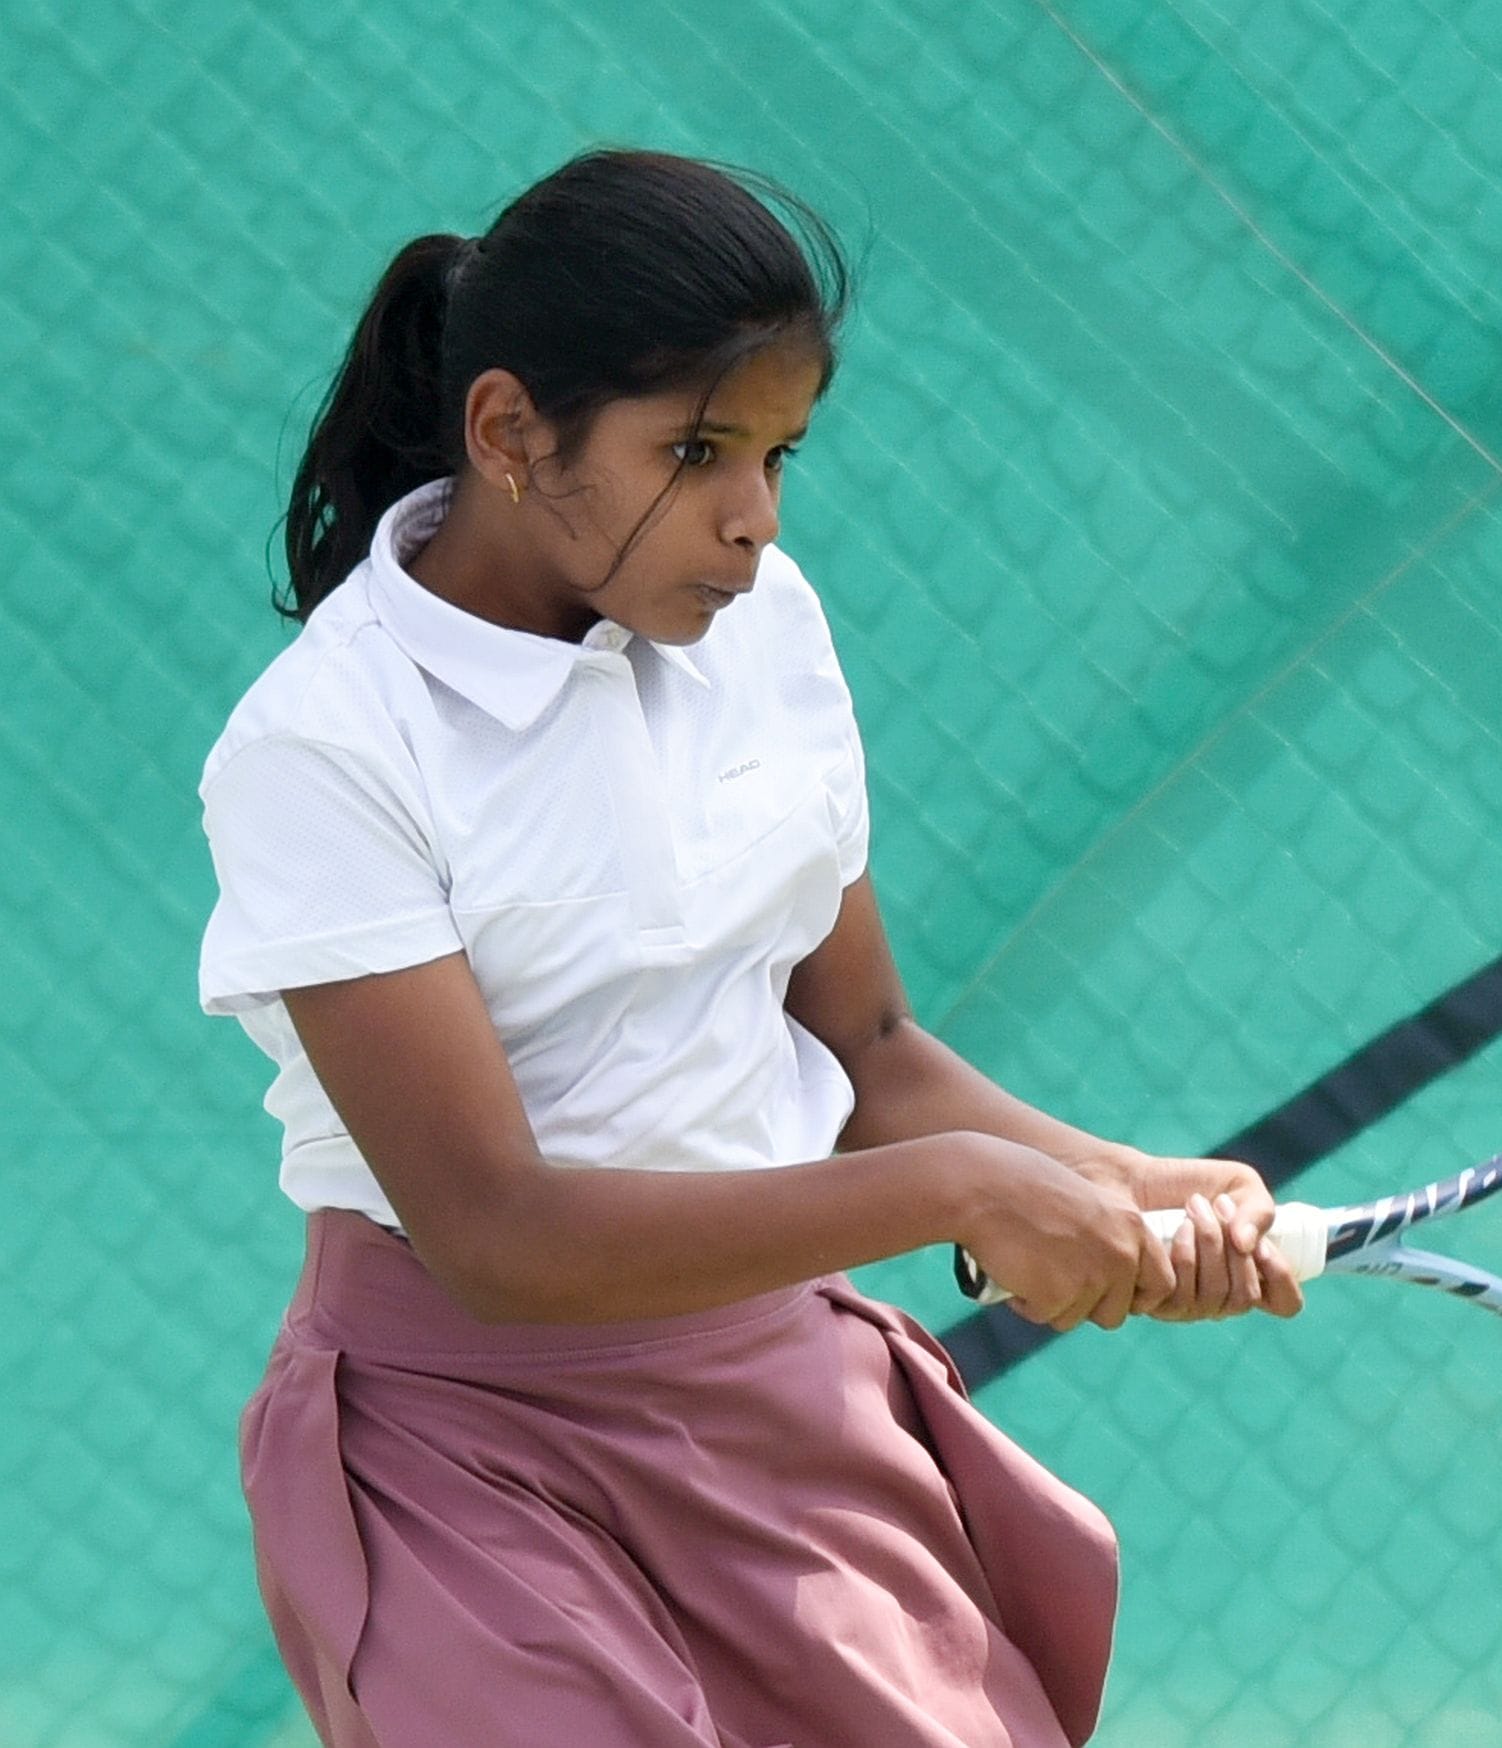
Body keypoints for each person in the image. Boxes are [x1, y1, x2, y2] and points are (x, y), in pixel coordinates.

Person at [197, 147, 1303, 1748]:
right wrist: (967, 1197)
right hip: (464, 1452)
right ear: (510, 433)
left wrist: (1126, 1187)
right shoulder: (325, 745)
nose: (751, 519)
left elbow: (866, 1053)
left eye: (782, 453)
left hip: (777, 1397)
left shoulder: (765, 623)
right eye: (699, 450)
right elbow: (497, 1237)